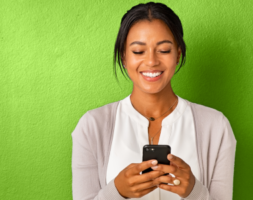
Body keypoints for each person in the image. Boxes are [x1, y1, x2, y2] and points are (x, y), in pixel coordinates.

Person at [71, 2, 237, 200]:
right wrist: (116, 191)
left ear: (178, 54)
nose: (151, 61)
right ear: (124, 57)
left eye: (164, 50)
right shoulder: (92, 126)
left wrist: (195, 191)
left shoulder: (216, 127)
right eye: (138, 51)